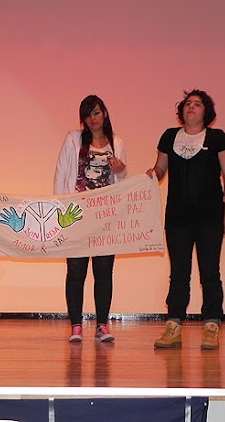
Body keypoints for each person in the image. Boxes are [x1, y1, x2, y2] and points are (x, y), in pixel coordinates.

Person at [148, 89, 225, 350]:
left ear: (206, 111)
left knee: (210, 273)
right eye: (188, 103)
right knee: (178, 274)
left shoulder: (218, 138)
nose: (191, 107)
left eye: (197, 104)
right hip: (177, 218)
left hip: (210, 217)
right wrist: (152, 174)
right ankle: (173, 326)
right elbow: (160, 169)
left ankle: (211, 326)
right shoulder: (169, 136)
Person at [54, 95, 127, 343]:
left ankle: (102, 326)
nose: (92, 119)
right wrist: (59, 209)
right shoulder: (73, 140)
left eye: (96, 113)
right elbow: (62, 173)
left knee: (104, 272)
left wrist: (121, 171)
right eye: (87, 115)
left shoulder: (116, 142)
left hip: (105, 218)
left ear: (104, 113)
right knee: (76, 271)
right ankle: (76, 325)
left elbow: (122, 182)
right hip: (76, 215)